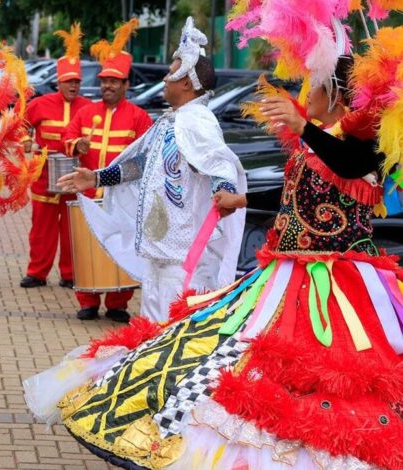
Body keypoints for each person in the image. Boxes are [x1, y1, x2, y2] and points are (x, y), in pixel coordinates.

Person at [27, 43, 403, 469]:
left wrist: (302, 128)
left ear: (333, 94)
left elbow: (351, 166)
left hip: (338, 283)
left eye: (311, 86)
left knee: (329, 372)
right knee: (216, 345)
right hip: (282, 271)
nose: (303, 93)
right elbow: (289, 191)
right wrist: (241, 198)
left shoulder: (367, 144)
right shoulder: (314, 141)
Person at [58, 18, 246, 322]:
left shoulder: (198, 122)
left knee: (174, 330)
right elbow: (143, 165)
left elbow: (218, 162)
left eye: (171, 74)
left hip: (183, 256)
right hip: (159, 249)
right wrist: (97, 177)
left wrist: (225, 190)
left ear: (187, 82)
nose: (165, 80)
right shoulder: (173, 121)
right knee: (150, 328)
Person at [61, 18, 154, 323]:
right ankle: (87, 300)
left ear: (126, 84)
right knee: (87, 246)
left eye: (114, 81)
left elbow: (147, 156)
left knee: (120, 244)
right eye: (104, 81)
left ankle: (118, 302)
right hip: (88, 192)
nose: (107, 86)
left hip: (122, 197)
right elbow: (66, 139)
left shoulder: (139, 117)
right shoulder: (87, 112)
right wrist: (77, 146)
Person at [19, 24, 91, 290]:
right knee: (42, 228)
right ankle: (37, 272)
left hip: (75, 175)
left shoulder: (89, 107)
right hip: (44, 174)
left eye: (76, 81)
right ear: (59, 82)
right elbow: (18, 125)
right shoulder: (40, 104)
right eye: (68, 81)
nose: (72, 85)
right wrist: (27, 142)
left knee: (72, 227)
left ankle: (70, 275)